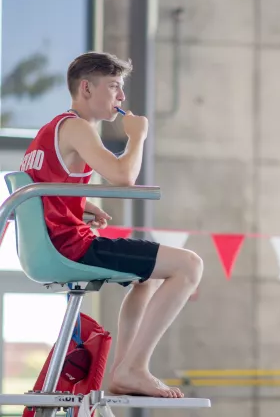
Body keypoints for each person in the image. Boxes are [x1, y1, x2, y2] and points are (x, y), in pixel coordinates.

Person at [19, 51, 203, 398]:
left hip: (51, 245)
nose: (121, 97)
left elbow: (40, 187)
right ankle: (133, 368)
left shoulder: (51, 129)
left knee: (145, 278)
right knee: (190, 265)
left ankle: (127, 369)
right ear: (86, 88)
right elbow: (122, 177)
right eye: (115, 87)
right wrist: (138, 137)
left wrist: (80, 203)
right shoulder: (77, 127)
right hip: (70, 246)